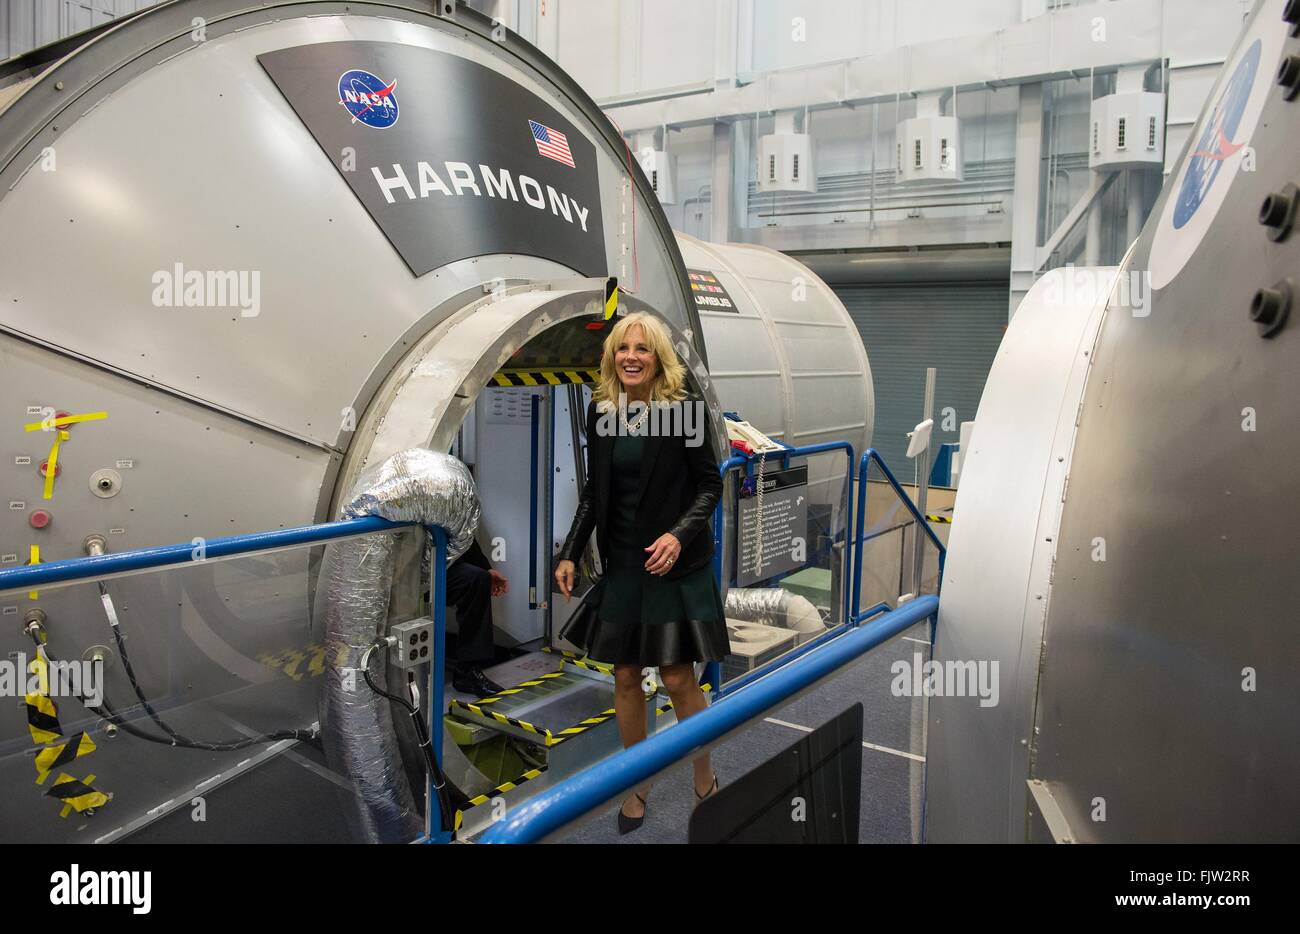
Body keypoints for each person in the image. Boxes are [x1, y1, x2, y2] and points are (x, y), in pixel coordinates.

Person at [554, 311, 730, 834]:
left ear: (659, 359)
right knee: (626, 674)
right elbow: (594, 493)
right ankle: (638, 780)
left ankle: (705, 776)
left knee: (677, 676)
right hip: (625, 563)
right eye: (623, 348)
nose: (632, 356)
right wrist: (570, 552)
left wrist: (679, 535)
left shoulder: (684, 412)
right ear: (613, 356)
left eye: (643, 348)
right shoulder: (602, 412)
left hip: (673, 562)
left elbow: (709, 486)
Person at [445, 516, 509, 697]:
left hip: (436, 565)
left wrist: (486, 569)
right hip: (403, 569)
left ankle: (467, 670)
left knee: (477, 579)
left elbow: (460, 530)